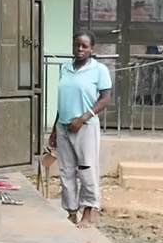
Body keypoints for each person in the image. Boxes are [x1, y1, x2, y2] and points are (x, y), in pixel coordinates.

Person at [46, 31, 113, 228]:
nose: (80, 49)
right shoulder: (66, 69)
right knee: (66, 171)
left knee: (87, 169)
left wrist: (84, 118)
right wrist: (54, 129)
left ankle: (88, 211)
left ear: (92, 48)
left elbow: (105, 98)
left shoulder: (99, 70)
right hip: (64, 126)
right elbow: (62, 101)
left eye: (85, 46)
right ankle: (71, 212)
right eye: (77, 45)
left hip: (85, 127)